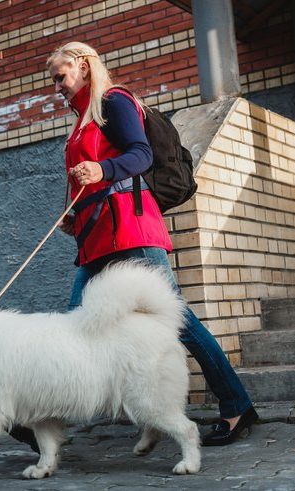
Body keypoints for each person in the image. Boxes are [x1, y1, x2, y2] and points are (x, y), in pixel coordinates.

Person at [46, 41, 258, 446]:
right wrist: (75, 216)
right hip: (95, 239)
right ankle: (48, 422)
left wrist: (102, 168)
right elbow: (91, 179)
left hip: (131, 231)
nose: (57, 86)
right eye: (54, 80)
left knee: (178, 322)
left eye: (62, 76)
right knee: (74, 325)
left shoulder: (114, 101)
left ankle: (236, 406)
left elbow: (140, 156)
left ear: (85, 67)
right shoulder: (80, 121)